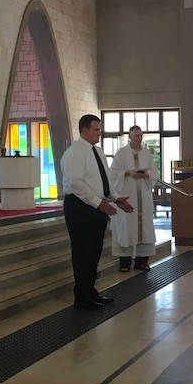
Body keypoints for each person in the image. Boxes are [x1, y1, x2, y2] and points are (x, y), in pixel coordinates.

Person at [61, 115, 134, 310]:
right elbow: (75, 183)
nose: (99, 133)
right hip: (80, 207)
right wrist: (98, 203)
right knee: (83, 251)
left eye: (100, 130)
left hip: (97, 205)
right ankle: (81, 296)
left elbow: (105, 179)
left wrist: (115, 197)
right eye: (96, 130)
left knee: (94, 251)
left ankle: (90, 290)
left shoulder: (98, 151)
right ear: (84, 130)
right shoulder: (74, 153)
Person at [108, 126, 158, 272]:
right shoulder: (121, 153)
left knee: (145, 228)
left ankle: (142, 262)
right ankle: (124, 262)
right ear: (130, 136)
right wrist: (127, 173)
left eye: (141, 136)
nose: (139, 139)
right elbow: (112, 173)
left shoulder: (146, 153)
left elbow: (154, 171)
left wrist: (147, 174)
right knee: (126, 227)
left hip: (143, 196)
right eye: (136, 136)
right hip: (127, 196)